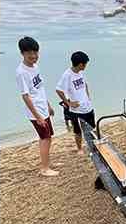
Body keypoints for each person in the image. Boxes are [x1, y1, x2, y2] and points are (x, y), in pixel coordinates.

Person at [16, 37, 57, 177]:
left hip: (43, 108)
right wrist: (38, 116)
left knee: (48, 137)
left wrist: (48, 105)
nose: (33, 56)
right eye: (29, 53)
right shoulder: (21, 72)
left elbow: (40, 89)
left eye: (35, 52)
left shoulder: (35, 67)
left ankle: (47, 163)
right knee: (45, 138)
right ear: (22, 53)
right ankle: (44, 168)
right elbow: (25, 96)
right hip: (36, 112)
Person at [55, 51, 94, 155]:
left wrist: (88, 97)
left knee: (91, 128)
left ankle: (93, 146)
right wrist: (69, 103)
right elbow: (59, 90)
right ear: (81, 64)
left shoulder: (81, 73)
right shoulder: (67, 75)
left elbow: (85, 84)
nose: (86, 65)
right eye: (85, 63)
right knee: (77, 131)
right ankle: (79, 148)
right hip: (76, 110)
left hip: (87, 107)